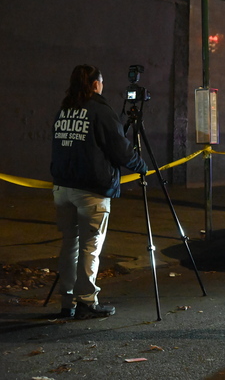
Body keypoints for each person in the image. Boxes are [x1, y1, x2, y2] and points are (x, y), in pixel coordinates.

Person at [50, 64, 148, 320]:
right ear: (95, 84)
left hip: (62, 188)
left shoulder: (65, 110)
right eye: (101, 82)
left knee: (69, 245)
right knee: (89, 248)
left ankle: (67, 301)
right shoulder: (100, 111)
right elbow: (121, 150)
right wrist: (142, 166)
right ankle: (86, 301)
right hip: (90, 190)